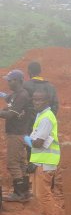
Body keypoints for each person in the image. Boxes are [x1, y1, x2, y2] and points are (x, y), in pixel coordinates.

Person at [25, 89, 60, 215]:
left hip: (46, 162)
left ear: (47, 102)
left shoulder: (46, 117)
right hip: (40, 161)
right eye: (34, 99)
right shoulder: (41, 115)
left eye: (40, 100)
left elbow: (38, 142)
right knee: (38, 193)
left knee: (44, 194)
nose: (36, 102)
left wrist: (27, 140)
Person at [0, 69, 32, 203]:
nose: (8, 82)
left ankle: (18, 193)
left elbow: (11, 114)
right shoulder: (16, 94)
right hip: (19, 133)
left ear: (18, 81)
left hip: (17, 133)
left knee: (13, 163)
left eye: (10, 80)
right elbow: (10, 108)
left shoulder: (22, 96)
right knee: (20, 163)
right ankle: (24, 192)